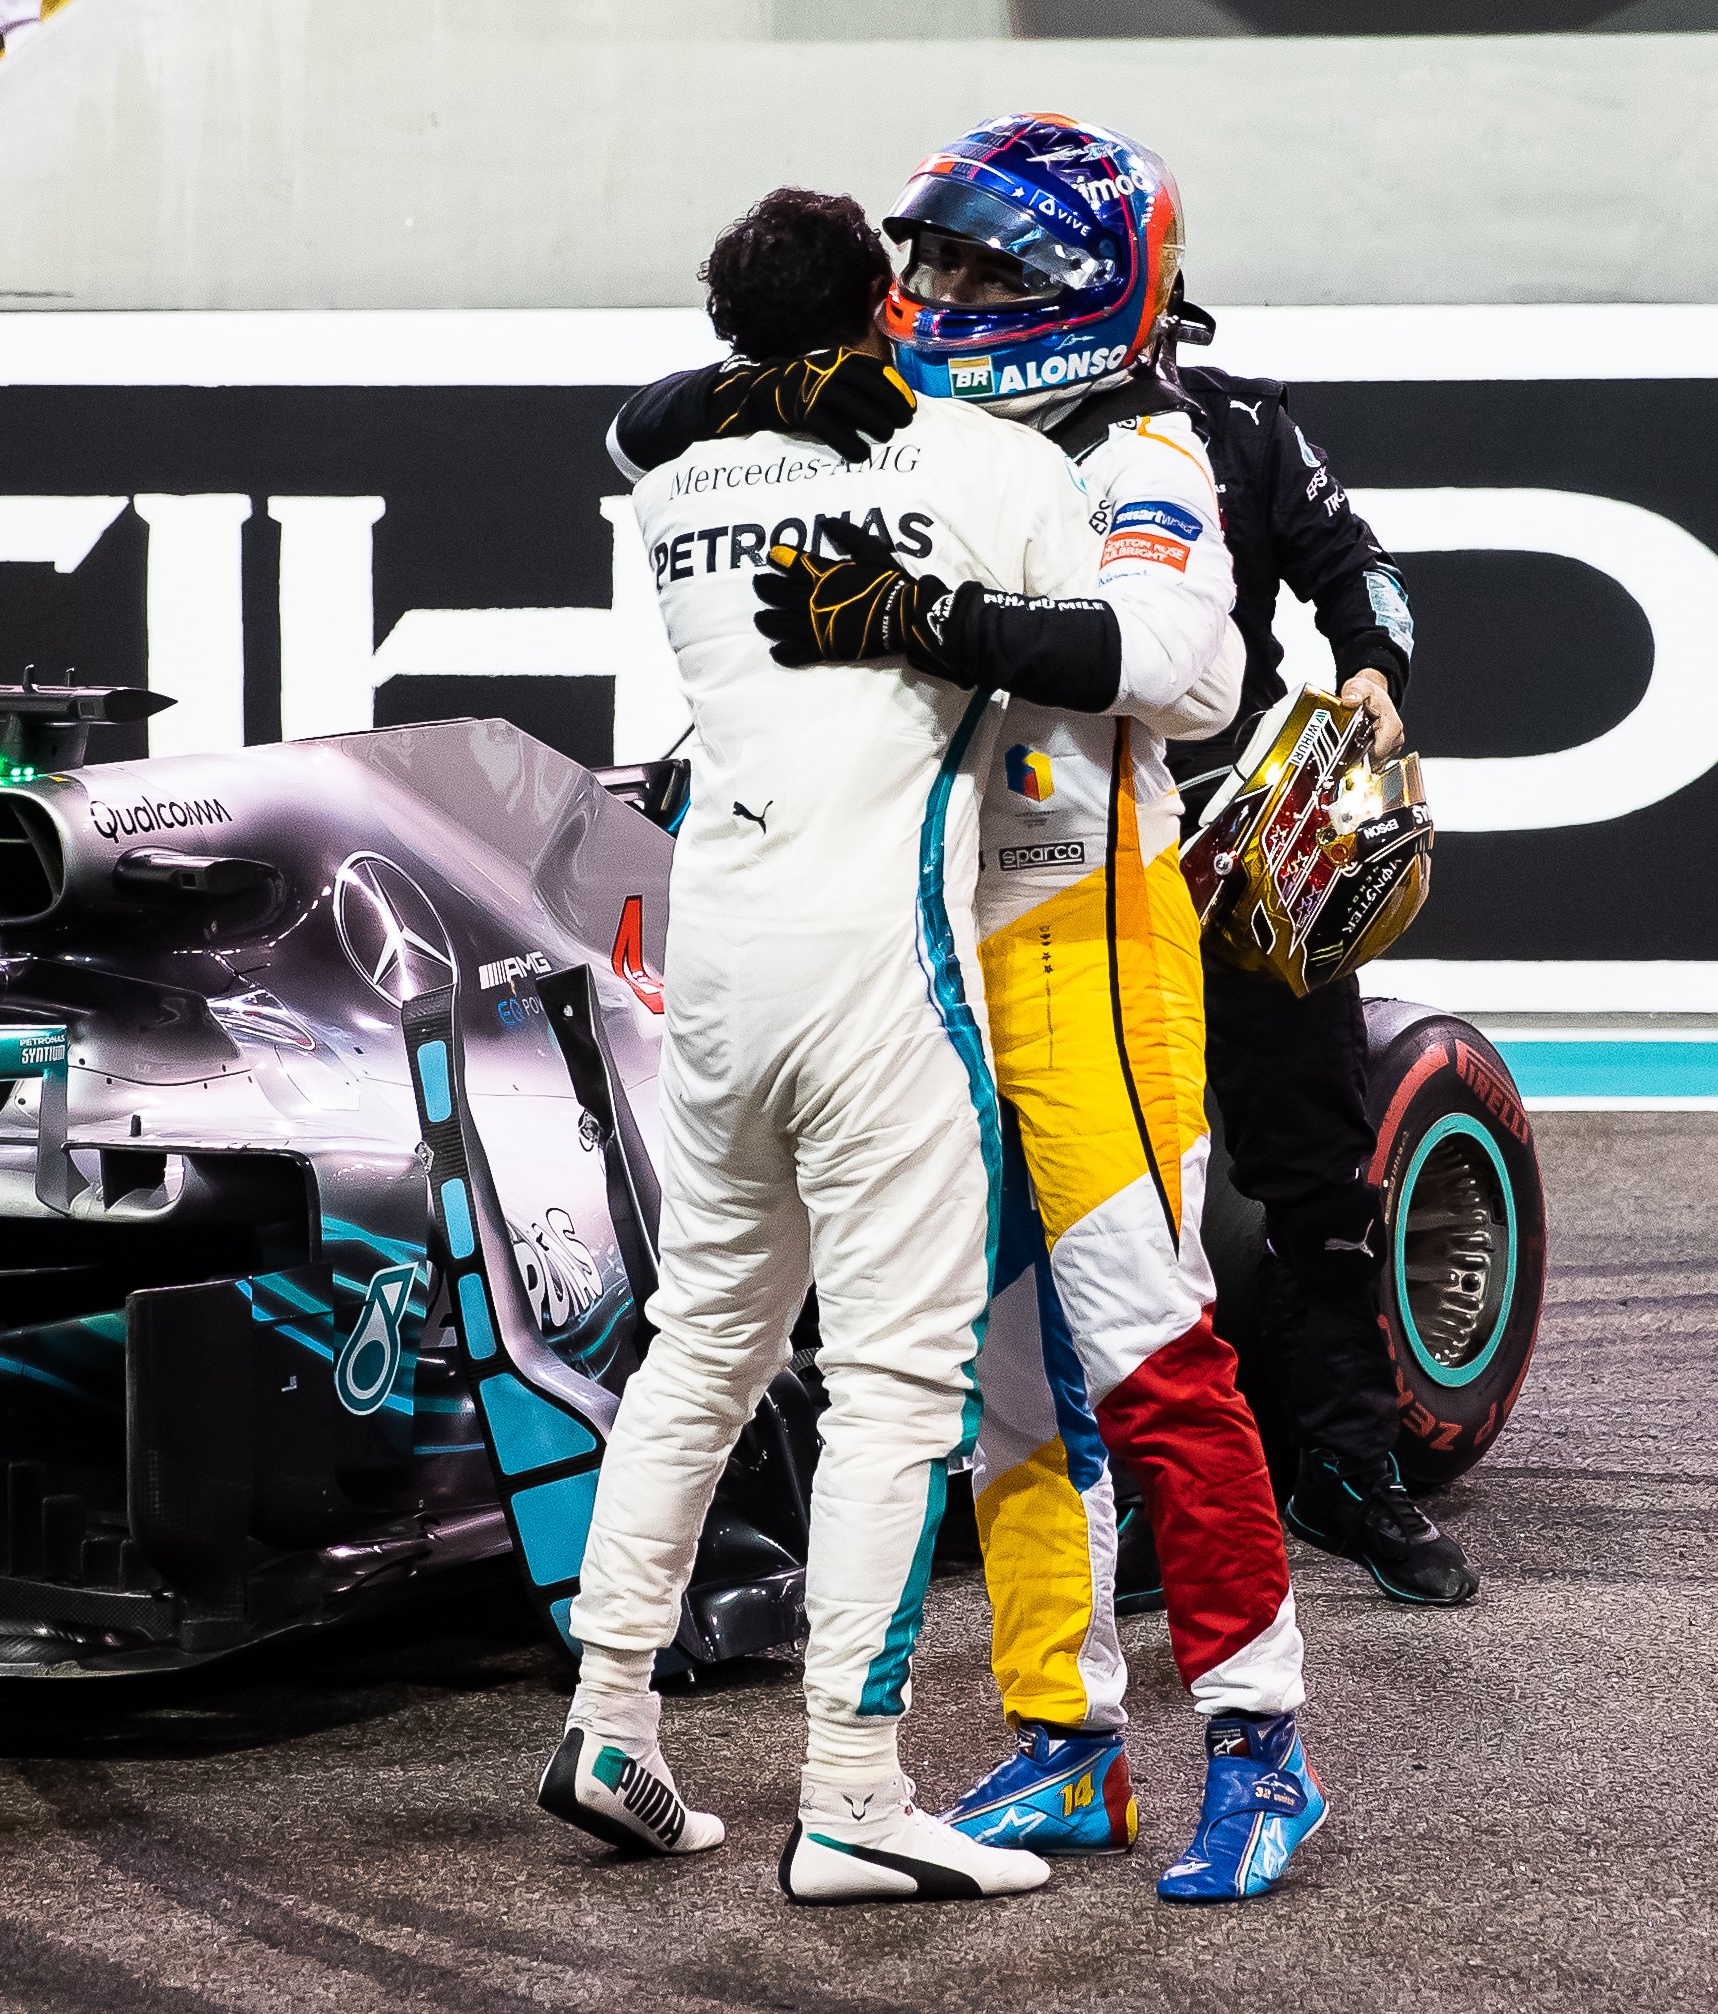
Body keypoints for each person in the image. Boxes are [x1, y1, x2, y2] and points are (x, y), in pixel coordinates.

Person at [630, 114, 1329, 1902]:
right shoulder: (906, 423)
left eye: (974, 266)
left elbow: (1183, 668)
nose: (933, 289)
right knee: (1003, 1388)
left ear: (1081, 289)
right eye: (924, 258)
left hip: (1085, 944)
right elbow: (650, 437)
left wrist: (933, 617)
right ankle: (1065, 1738)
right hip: (917, 951)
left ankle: (1261, 1745)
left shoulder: (1142, 444)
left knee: (1152, 1353)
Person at [545, 187, 1113, 1909]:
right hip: (884, 964)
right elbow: (1143, 672)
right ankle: (854, 1792)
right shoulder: (990, 463)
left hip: (717, 958)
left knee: (702, 1342)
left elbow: (650, 415)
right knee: (897, 1384)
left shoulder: (675, 475)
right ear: (886, 305)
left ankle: (607, 1720)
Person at [1166, 349, 1474, 1607]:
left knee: (1319, 1171)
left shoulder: (1237, 417)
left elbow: (1360, 569)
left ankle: (1349, 1467)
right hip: (1034, 849)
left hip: (1238, 842)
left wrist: (1371, 670)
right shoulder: (938, 410)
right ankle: (1116, 1481)